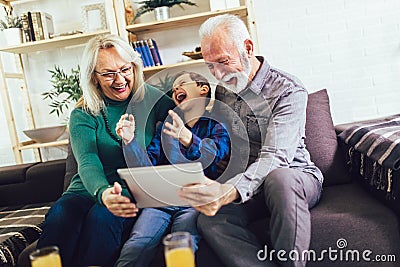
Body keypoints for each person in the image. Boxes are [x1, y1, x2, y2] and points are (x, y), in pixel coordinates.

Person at [178, 14, 324, 267]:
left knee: (279, 178)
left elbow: (276, 157)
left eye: (223, 61)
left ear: (247, 48)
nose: (218, 74)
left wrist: (227, 191)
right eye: (210, 66)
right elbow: (226, 145)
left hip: (292, 177)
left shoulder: (287, 90)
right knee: (210, 219)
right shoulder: (224, 90)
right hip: (248, 183)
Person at [36, 34, 174, 267]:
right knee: (60, 216)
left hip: (130, 189)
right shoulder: (83, 113)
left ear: (134, 67)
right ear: (94, 77)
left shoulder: (153, 99)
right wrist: (103, 192)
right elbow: (88, 161)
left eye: (125, 69)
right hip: (87, 188)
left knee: (103, 217)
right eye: (109, 73)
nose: (120, 79)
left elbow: (187, 126)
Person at [114, 71, 230, 267]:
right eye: (174, 88)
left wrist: (187, 138)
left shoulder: (217, 125)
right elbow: (146, 166)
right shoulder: (164, 128)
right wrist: (129, 141)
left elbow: (217, 156)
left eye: (182, 84)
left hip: (194, 202)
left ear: (203, 89)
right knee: (136, 243)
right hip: (161, 200)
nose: (176, 89)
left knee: (182, 243)